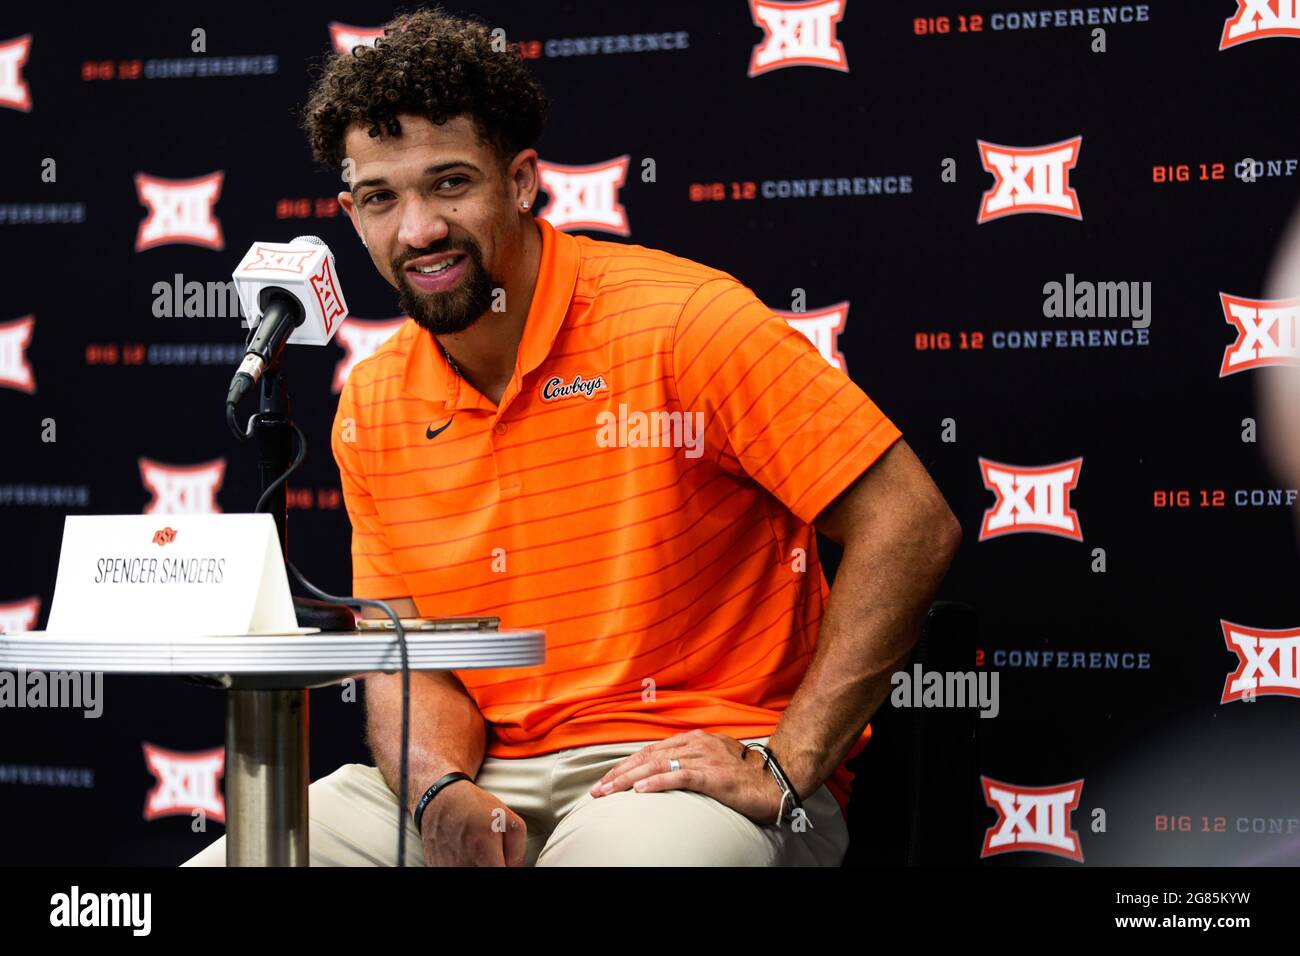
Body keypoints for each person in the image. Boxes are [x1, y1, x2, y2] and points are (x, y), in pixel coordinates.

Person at [183, 5, 961, 867]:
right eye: (380, 198)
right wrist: (440, 792)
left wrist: (791, 762)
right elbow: (412, 655)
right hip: (484, 780)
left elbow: (911, 522)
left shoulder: (682, 321)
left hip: (674, 778)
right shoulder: (373, 397)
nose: (418, 230)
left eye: (450, 184)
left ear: (519, 181)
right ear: (350, 211)